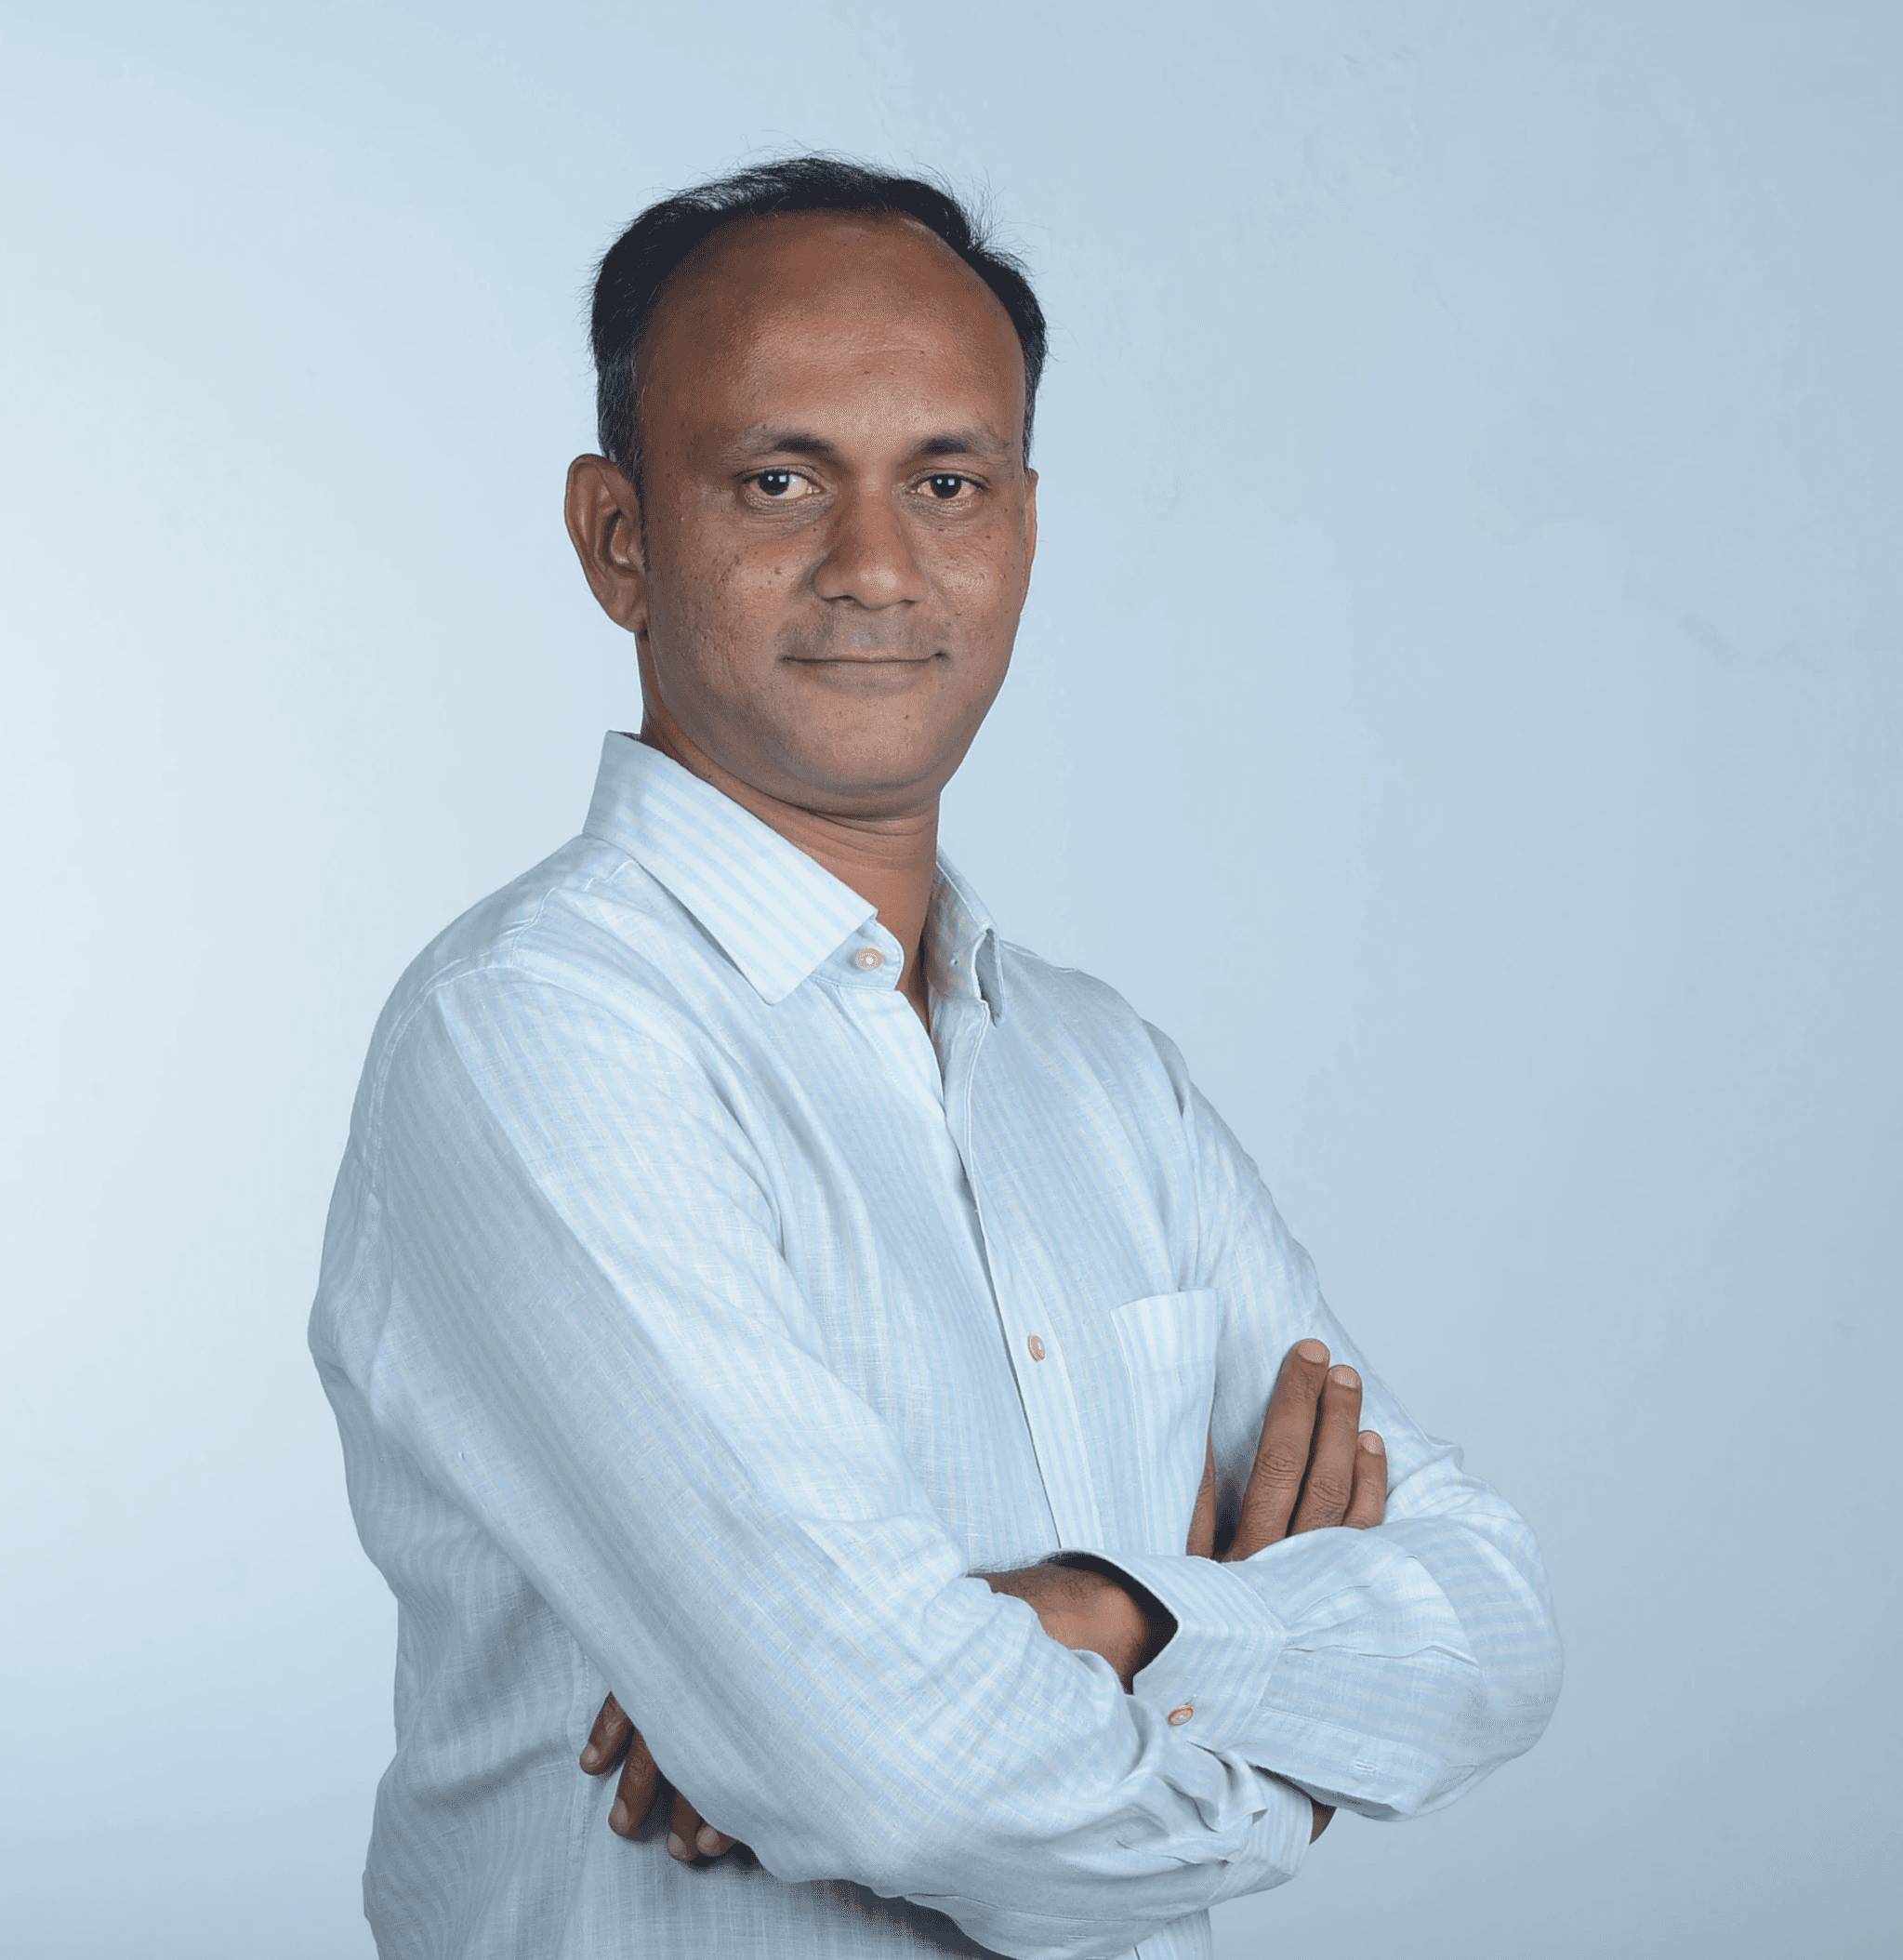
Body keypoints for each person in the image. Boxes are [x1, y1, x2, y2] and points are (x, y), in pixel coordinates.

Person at [311, 156, 1562, 1960]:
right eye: (780, 478)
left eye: (948, 481)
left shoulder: (1099, 1072)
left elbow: (1495, 1616)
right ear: (619, 536)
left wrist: (1114, 1613)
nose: (879, 565)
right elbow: (904, 1776)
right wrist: (1286, 1730)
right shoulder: (542, 1040)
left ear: (1026, 527)